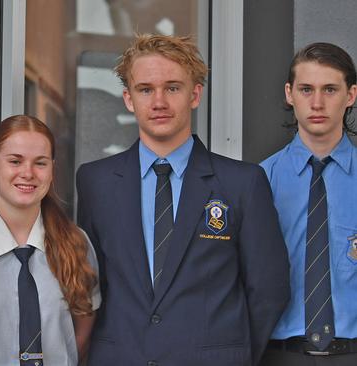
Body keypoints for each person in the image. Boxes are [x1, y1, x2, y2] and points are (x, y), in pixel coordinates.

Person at [76, 34, 291, 366]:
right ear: (128, 99)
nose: (159, 101)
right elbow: (89, 284)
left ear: (195, 94)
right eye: (145, 89)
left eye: (172, 87)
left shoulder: (243, 183)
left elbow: (268, 290)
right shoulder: (95, 182)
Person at [0, 115, 100, 366]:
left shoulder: (76, 242)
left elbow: (83, 332)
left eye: (40, 163)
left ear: (52, 170)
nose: (28, 173)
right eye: (15, 161)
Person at [259, 42, 357, 366]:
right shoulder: (259, 181)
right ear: (290, 94)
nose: (317, 102)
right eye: (306, 89)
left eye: (330, 89)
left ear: (351, 95)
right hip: (280, 355)